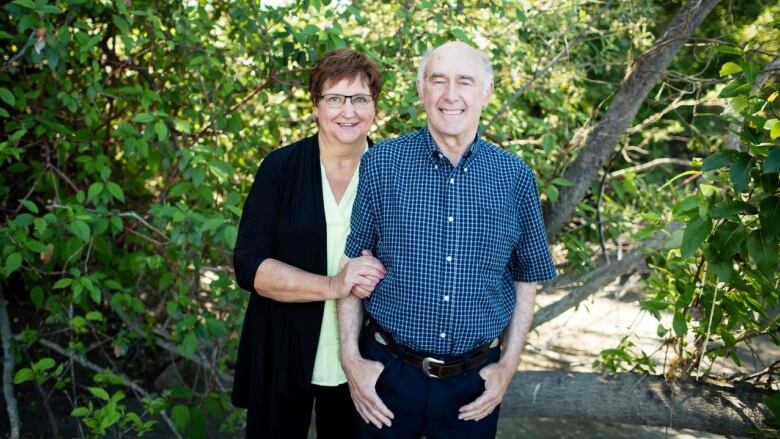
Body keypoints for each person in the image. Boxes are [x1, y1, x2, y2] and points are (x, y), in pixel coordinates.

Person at [337, 41, 557, 438]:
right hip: (387, 378)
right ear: (422, 90)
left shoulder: (515, 177)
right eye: (438, 81)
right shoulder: (381, 163)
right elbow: (354, 265)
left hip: (473, 386)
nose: (450, 95)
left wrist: (508, 366)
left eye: (465, 82)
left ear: (486, 92)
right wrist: (351, 359)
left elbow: (527, 277)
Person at [232, 48, 387, 438]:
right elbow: (249, 265)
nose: (347, 112)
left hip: (367, 358)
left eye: (359, 99)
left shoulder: (393, 172)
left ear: (374, 107)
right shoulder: (280, 169)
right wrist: (334, 285)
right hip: (283, 348)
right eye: (334, 98)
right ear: (315, 105)